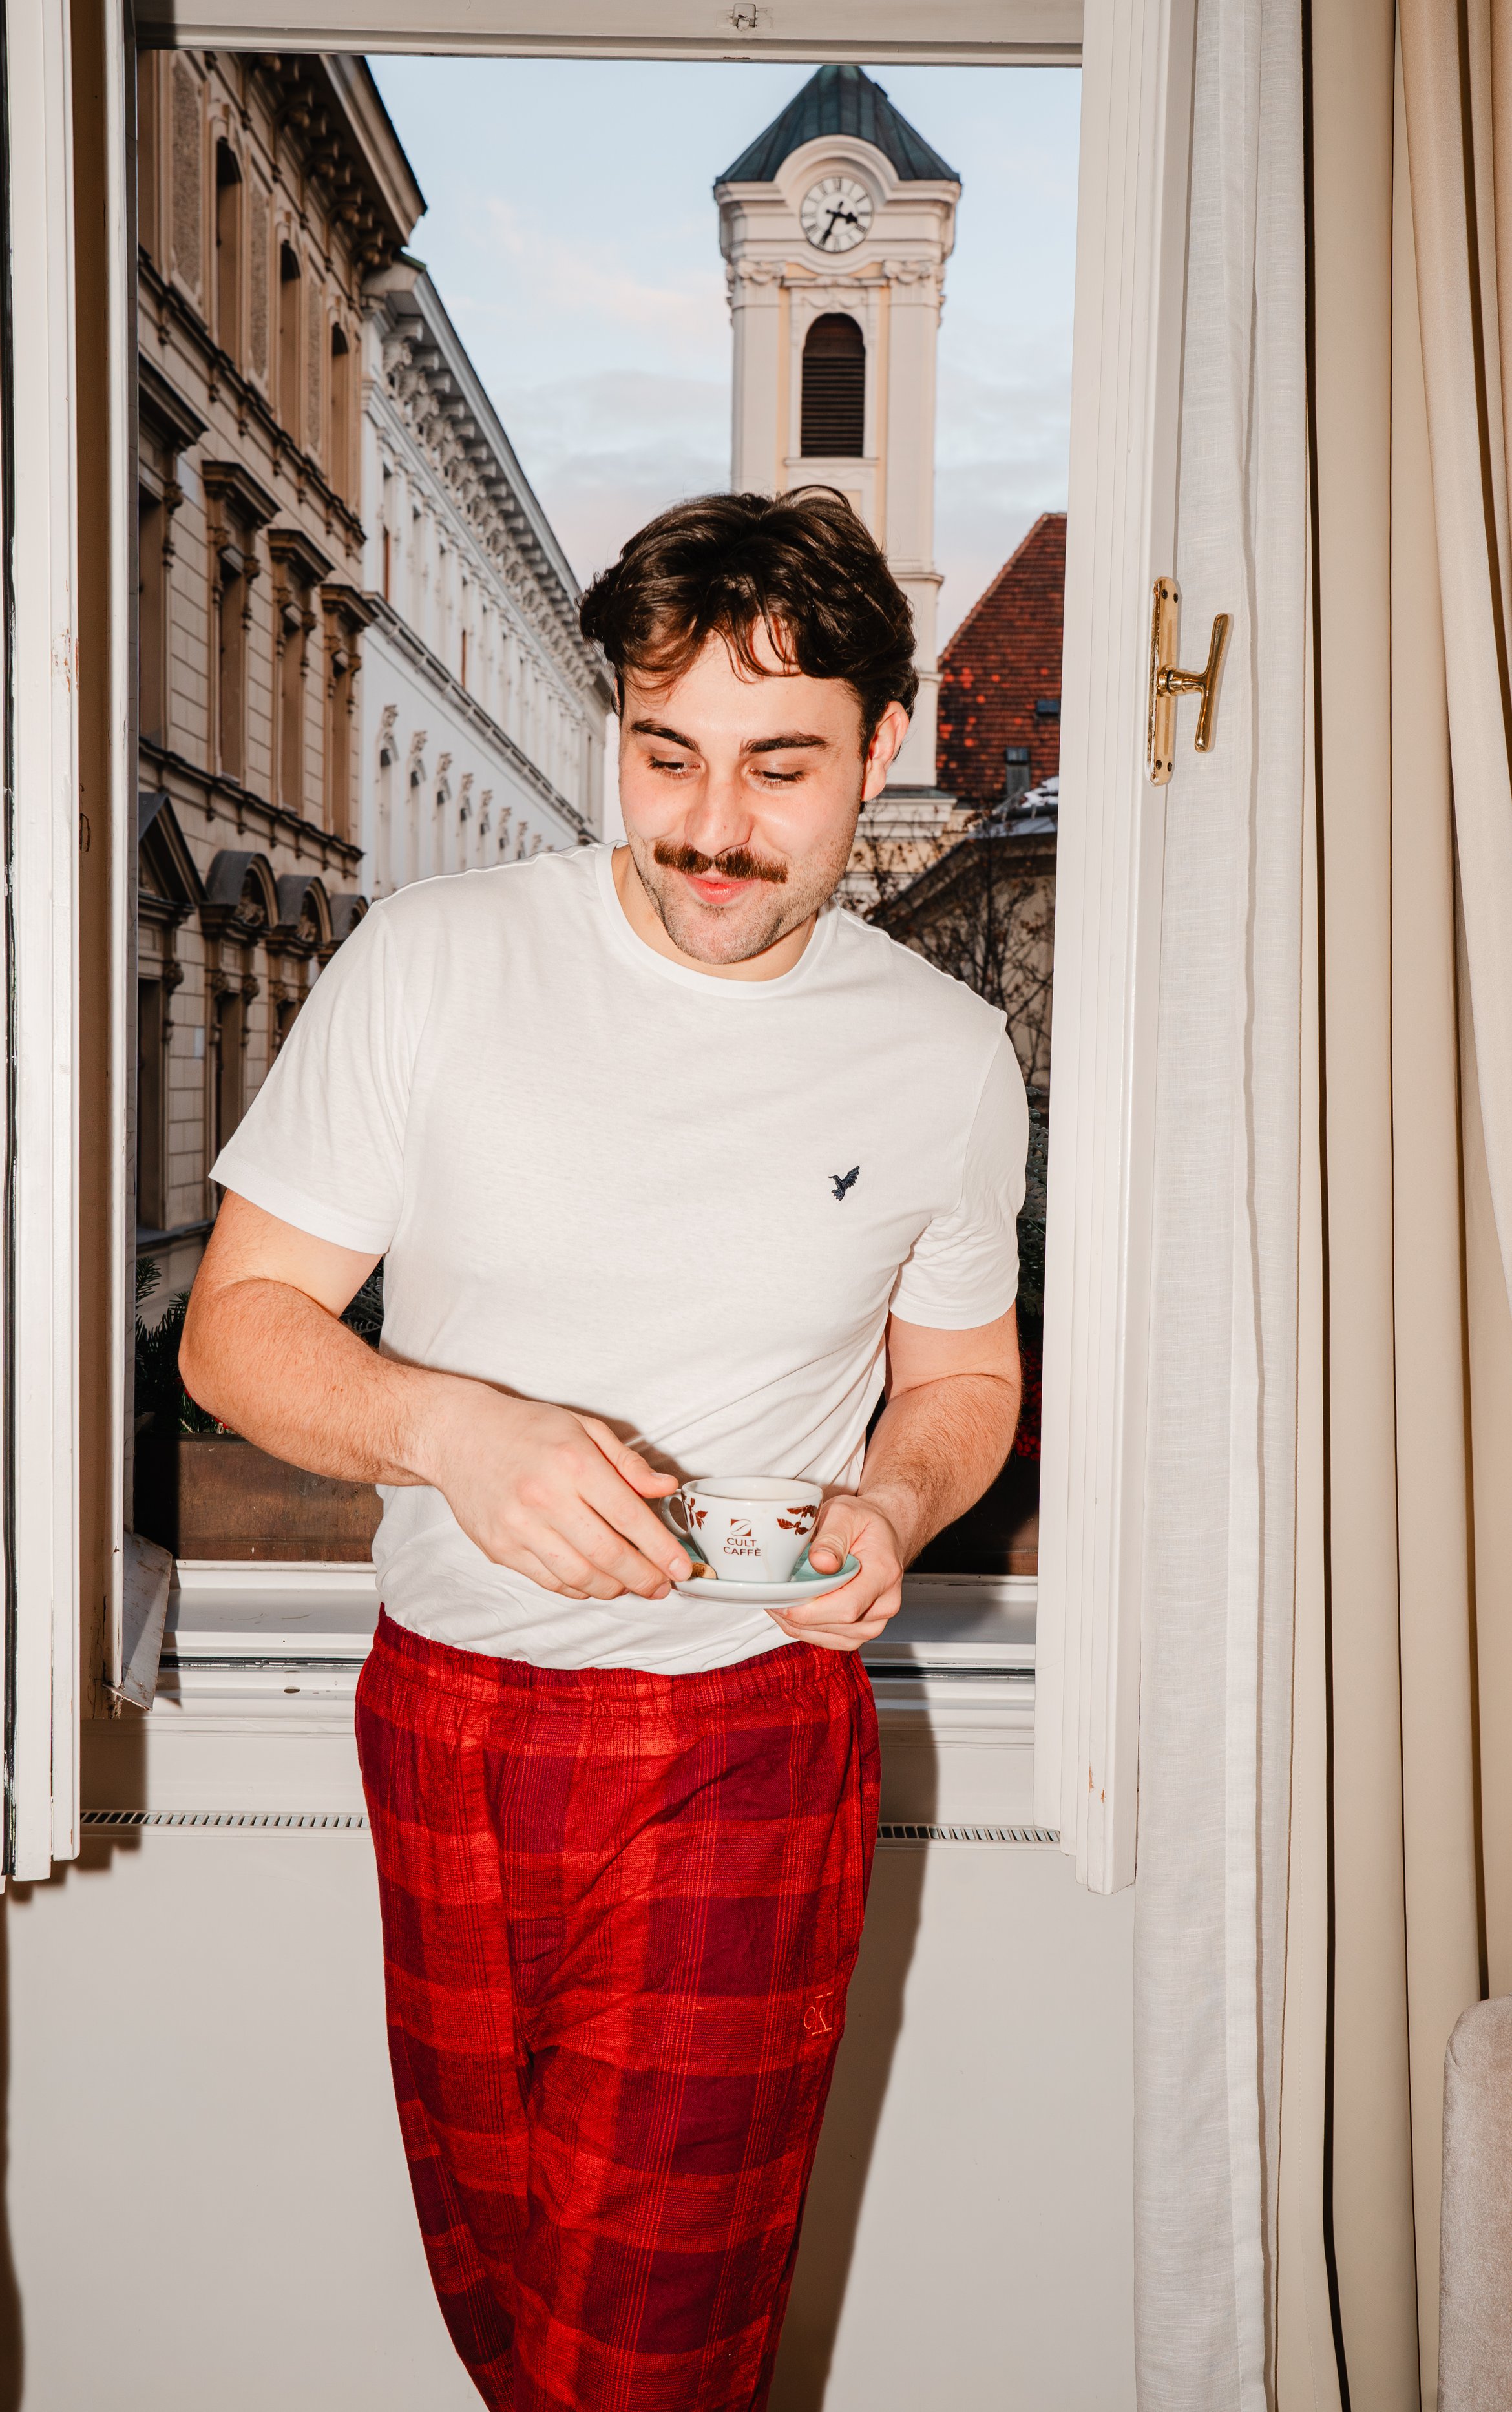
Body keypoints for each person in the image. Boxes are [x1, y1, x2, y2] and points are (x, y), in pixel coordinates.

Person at [180, 487, 1027, 2412]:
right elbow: (238, 1334)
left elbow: (962, 1384)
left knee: (641, 2366)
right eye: (666, 756)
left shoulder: (939, 1053)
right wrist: (444, 1427)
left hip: (740, 1734)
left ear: (878, 749)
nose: (712, 828)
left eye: (779, 768)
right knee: (510, 2323)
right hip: (441, 1724)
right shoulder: (429, 954)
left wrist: (894, 1498)